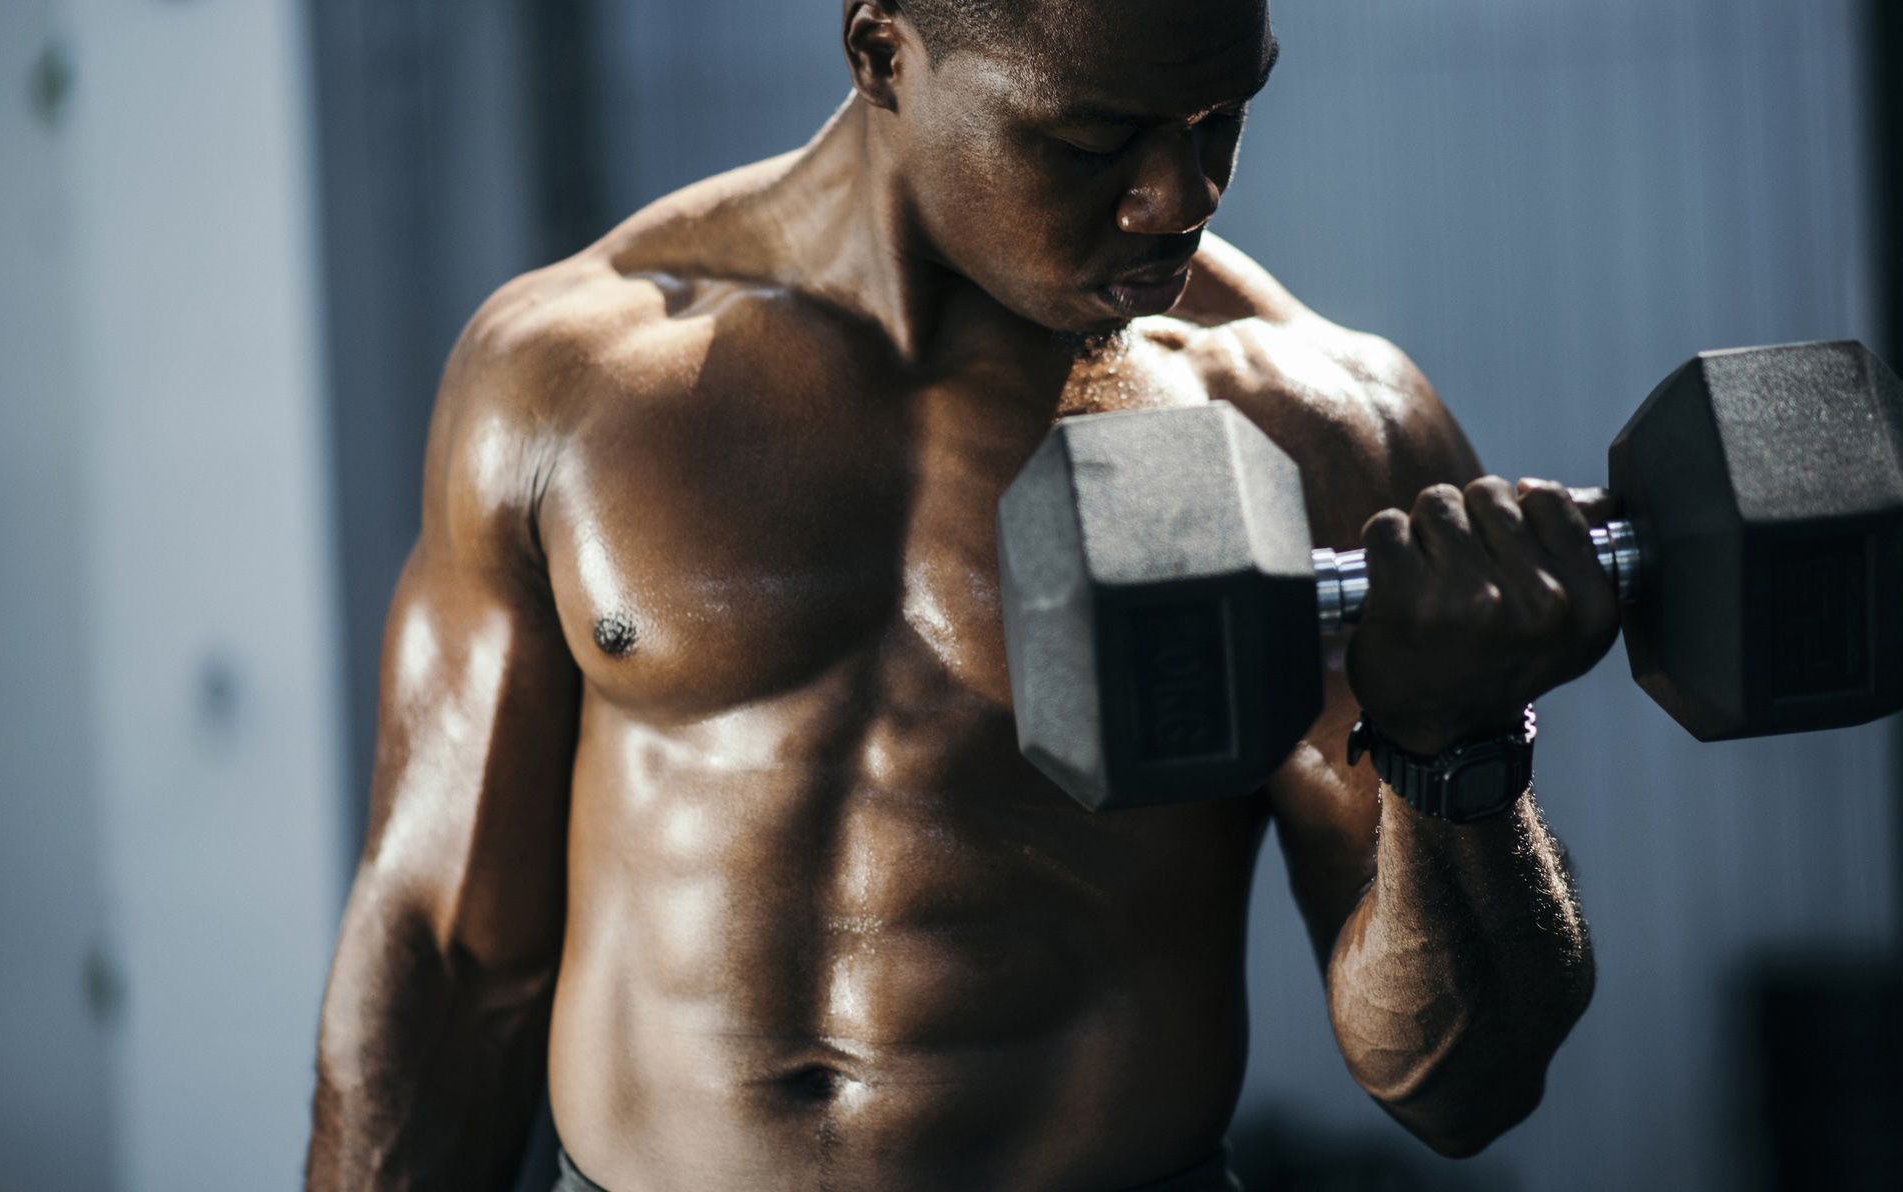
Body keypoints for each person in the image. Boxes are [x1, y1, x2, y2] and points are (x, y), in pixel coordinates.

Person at [306, 2, 1613, 1188]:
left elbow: (1455, 1084)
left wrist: (1455, 756)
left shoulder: (1307, 430)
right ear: (881, 51)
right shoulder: (569, 380)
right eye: (1096, 138)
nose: (1180, 194)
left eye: (1221, 120)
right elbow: (447, 960)